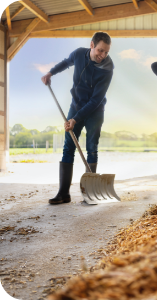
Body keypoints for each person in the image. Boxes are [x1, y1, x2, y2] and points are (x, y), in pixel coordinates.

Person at [41, 32, 114, 205]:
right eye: (100, 50)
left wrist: (75, 119)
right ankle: (63, 194)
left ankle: (91, 194)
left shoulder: (107, 69)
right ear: (91, 45)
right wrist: (51, 73)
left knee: (91, 148)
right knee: (68, 147)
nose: (102, 56)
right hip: (76, 106)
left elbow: (96, 100)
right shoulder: (79, 54)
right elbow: (66, 62)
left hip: (95, 111)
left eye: (106, 52)